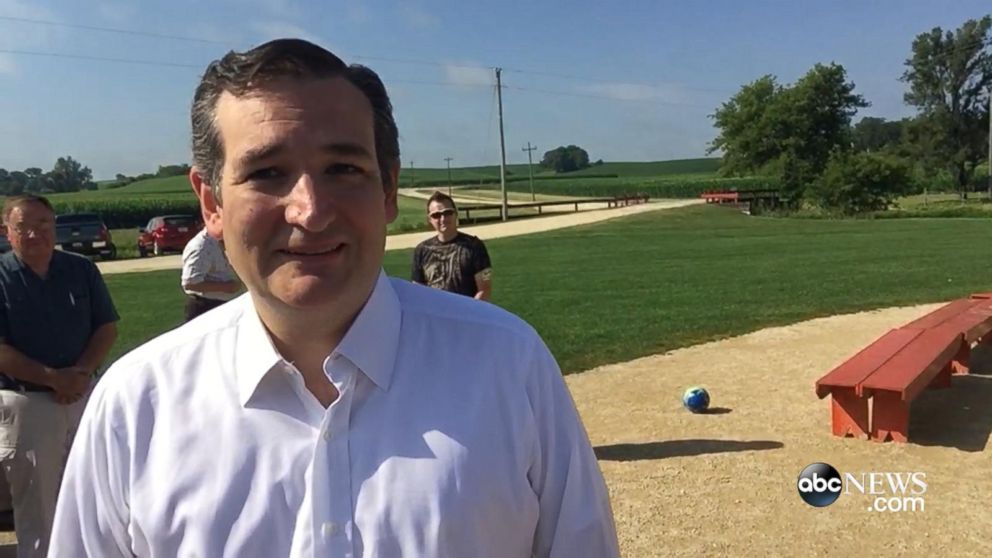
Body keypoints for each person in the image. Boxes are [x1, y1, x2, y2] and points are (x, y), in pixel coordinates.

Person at [50, 39, 618, 557]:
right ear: (211, 203)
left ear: (389, 189)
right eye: (268, 172)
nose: (310, 211)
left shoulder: (508, 365)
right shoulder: (135, 405)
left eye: (343, 168)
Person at [0, 194, 119, 558]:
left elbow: (107, 326)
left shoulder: (81, 270)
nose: (35, 234)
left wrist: (80, 373)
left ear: (56, 228)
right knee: (39, 508)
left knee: (96, 493)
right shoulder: (3, 276)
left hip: (85, 395)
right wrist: (53, 378)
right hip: (28, 404)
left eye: (44, 225)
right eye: (23, 227)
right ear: (7, 231)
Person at [411, 191, 493, 300]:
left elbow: (484, 288)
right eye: (436, 215)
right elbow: (418, 291)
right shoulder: (422, 250)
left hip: (467, 313)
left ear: (456, 214)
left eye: (447, 213)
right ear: (430, 219)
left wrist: (467, 314)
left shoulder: (475, 246)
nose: (443, 219)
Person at [180, 226, 240, 321]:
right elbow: (190, 283)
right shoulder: (201, 247)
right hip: (206, 307)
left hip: (223, 305)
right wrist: (227, 287)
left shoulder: (220, 242)